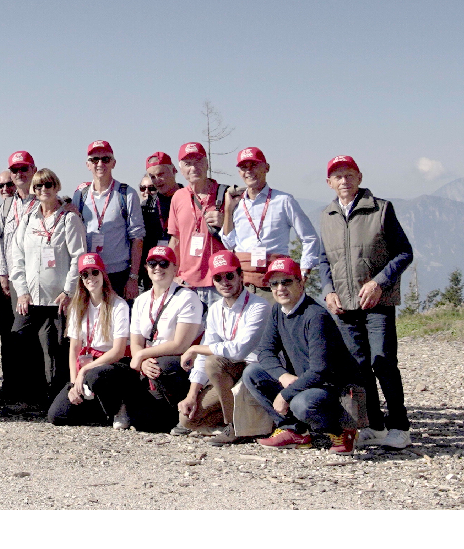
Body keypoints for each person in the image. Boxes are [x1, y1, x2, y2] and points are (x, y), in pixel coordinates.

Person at [317, 155, 414, 450]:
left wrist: (378, 283)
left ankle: (400, 427)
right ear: (329, 182)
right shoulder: (327, 216)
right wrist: (327, 290)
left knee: (383, 363)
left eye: (349, 175)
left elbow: (404, 253)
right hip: (344, 306)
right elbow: (324, 260)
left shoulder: (381, 209)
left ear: (359, 177)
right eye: (338, 176)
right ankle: (375, 425)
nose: (344, 181)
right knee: (358, 368)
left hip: (378, 303)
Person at [243, 256, 364, 454]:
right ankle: (295, 431)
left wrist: (285, 394)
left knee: (302, 404)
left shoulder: (316, 316)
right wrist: (283, 376)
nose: (280, 288)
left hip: (332, 388)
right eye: (274, 284)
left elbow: (320, 371)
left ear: (300, 283)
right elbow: (265, 351)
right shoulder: (278, 310)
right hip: (304, 381)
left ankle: (342, 430)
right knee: (252, 373)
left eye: (286, 282)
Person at [7, 168, 86, 412]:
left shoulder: (69, 219)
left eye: (48, 185)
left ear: (57, 186)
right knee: (20, 341)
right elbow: (16, 256)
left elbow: (79, 257)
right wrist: (21, 290)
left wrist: (69, 291)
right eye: (39, 186)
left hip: (58, 298)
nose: (44, 190)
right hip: (30, 297)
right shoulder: (29, 219)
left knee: (54, 349)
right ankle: (28, 397)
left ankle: (56, 400)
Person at [176, 251, 269, 444]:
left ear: (241, 276)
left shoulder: (259, 305)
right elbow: (206, 352)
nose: (224, 282)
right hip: (230, 373)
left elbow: (239, 350)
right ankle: (245, 422)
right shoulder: (215, 309)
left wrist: (194, 349)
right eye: (218, 278)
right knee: (188, 420)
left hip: (255, 372)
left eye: (229, 276)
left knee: (214, 363)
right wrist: (191, 395)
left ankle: (234, 426)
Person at [219, 147, 325, 300]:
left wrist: (304, 271)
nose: (249, 171)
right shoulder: (237, 203)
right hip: (242, 286)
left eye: (254, 165)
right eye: (244, 167)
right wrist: (228, 210)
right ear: (239, 172)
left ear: (266, 168)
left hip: (275, 286)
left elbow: (309, 237)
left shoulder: (283, 201)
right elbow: (229, 243)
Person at [123, 246, 204, 431]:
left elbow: (180, 344)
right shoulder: (141, 300)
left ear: (175, 268)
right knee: (142, 422)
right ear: (146, 268)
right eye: (152, 263)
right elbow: (136, 342)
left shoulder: (187, 297)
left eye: (164, 263)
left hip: (178, 364)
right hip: (150, 362)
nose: (158, 268)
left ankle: (181, 415)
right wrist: (142, 362)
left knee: (164, 366)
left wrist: (142, 355)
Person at [46, 253, 131, 426]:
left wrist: (84, 371)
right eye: (85, 274)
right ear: (81, 280)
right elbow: (74, 349)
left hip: (113, 363)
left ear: (103, 275)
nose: (90, 278)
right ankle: (97, 411)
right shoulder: (78, 306)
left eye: (95, 272)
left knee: (94, 375)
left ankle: (119, 408)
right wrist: (73, 383)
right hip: (88, 364)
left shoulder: (118, 305)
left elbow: (118, 351)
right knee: (56, 415)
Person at [72, 141, 145, 300]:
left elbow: (137, 238)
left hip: (118, 274)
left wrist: (133, 278)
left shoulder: (127, 194)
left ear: (113, 163)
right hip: (89, 274)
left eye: (105, 159)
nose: (100, 164)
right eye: (94, 159)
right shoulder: (80, 195)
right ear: (88, 165)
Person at [0, 151, 37, 407]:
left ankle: (33, 390)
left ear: (34, 170)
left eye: (24, 169)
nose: (19, 174)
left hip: (36, 277)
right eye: (15, 170)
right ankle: (12, 386)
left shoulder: (42, 199)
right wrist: (2, 272)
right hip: (12, 277)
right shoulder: (8, 204)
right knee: (12, 334)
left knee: (30, 334)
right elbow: (2, 239)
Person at [167, 142, 229, 307]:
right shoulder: (178, 197)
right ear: (180, 169)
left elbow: (242, 237)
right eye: (188, 163)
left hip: (220, 282)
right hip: (187, 284)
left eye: (198, 162)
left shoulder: (226, 195)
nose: (193, 168)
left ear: (207, 164)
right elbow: (175, 240)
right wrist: (171, 276)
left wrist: (225, 223)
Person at [139, 152, 179, 289]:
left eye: (161, 174)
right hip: (155, 272)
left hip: (179, 270)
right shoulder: (147, 205)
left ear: (174, 170)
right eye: (152, 177)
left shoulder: (188, 198)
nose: (157, 180)